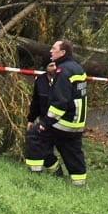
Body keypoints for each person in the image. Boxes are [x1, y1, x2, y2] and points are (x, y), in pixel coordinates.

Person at [38, 39, 88, 186]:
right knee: (73, 153)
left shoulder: (63, 72)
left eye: (54, 48)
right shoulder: (77, 68)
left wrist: (46, 123)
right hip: (77, 122)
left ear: (63, 52)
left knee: (38, 139)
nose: (51, 51)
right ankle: (79, 183)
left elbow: (60, 102)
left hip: (63, 122)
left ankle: (55, 173)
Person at [23, 61, 57, 172]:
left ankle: (54, 170)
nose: (54, 68)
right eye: (51, 65)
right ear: (46, 68)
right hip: (44, 119)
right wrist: (31, 119)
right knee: (39, 142)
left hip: (58, 120)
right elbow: (36, 102)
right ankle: (38, 170)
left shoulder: (62, 80)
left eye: (56, 65)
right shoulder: (40, 81)